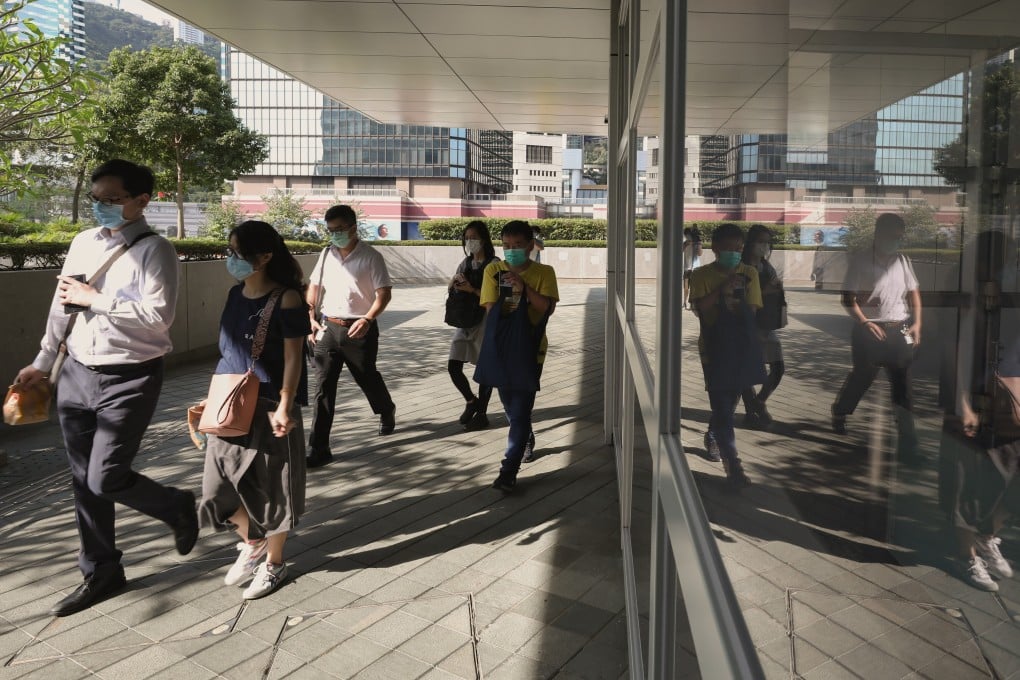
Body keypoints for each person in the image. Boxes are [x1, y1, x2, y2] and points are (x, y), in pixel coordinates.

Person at [13, 159, 197, 616]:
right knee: (83, 482)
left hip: (130, 375)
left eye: (112, 200)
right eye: (96, 200)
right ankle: (101, 570)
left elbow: (158, 316)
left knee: (106, 474)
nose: (101, 208)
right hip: (75, 371)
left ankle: (175, 505)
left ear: (141, 200)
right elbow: (62, 307)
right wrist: (42, 362)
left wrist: (96, 299)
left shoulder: (158, 252)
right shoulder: (81, 243)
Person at [198, 220, 310, 600]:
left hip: (267, 407)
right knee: (215, 494)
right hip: (229, 406)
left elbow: (295, 358)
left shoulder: (288, 298)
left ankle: (274, 565)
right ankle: (253, 541)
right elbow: (229, 352)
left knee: (271, 490)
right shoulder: (234, 294)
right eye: (229, 251)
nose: (231, 259)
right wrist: (212, 396)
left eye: (238, 253)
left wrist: (285, 404)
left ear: (264, 256)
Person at [940, 229, 1019, 591]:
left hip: (1008, 401)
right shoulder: (967, 293)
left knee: (1007, 480)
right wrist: (962, 402)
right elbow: (954, 348)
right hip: (973, 400)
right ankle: (965, 557)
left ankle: (986, 536)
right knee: (963, 484)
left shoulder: (1007, 290)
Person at [305, 204, 395, 468]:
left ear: (354, 228)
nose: (335, 235)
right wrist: (310, 315)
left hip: (360, 328)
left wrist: (368, 319)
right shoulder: (325, 255)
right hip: (328, 327)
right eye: (330, 230)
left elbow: (384, 294)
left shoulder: (371, 257)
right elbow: (314, 287)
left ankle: (386, 409)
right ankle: (319, 447)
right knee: (323, 387)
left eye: (340, 229)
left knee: (366, 376)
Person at [831, 213, 921, 459]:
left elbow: (914, 294)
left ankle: (909, 445)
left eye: (899, 236)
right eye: (893, 235)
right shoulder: (861, 261)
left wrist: (917, 324)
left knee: (903, 387)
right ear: (879, 233)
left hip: (899, 328)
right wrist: (864, 322)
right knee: (863, 377)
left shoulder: (902, 260)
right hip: (869, 330)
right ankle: (841, 410)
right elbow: (847, 298)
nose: (897, 240)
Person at [480, 220, 559, 492]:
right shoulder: (494, 270)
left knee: (522, 408)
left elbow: (546, 309)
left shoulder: (544, 272)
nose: (511, 250)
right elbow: (491, 313)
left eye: (517, 245)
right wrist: (508, 294)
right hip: (501, 349)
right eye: (506, 245)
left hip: (530, 350)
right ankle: (524, 435)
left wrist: (524, 288)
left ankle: (508, 471)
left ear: (530, 245)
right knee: (510, 406)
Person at [689, 223, 764, 489]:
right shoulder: (700, 276)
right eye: (728, 249)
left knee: (727, 405)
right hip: (713, 351)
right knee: (721, 404)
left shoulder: (750, 273)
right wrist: (723, 289)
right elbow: (700, 309)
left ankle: (713, 434)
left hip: (741, 350)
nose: (734, 253)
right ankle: (733, 466)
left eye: (738, 248)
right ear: (715, 249)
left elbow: (751, 312)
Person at [448, 221, 499, 430]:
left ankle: (482, 413)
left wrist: (472, 290)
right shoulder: (466, 263)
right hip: (465, 320)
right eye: (467, 238)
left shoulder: (494, 264)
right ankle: (471, 401)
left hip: (485, 320)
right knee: (453, 365)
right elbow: (451, 286)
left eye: (474, 237)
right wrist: (455, 283)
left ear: (484, 239)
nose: (470, 242)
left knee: (485, 368)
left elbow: (496, 297)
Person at [740, 224, 786, 429]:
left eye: (767, 242)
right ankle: (752, 410)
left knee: (778, 367)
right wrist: (766, 290)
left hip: (766, 325)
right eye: (760, 241)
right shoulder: (740, 266)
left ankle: (759, 402)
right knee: (746, 371)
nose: (764, 246)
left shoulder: (767, 267)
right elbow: (739, 294)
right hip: (745, 325)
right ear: (750, 242)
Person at [682, 227, 703, 310]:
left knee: (693, 287)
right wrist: (685, 245)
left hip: (695, 268)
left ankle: (692, 303)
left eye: (689, 235)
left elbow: (700, 254)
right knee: (686, 287)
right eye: (686, 236)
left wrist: (698, 245)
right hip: (686, 267)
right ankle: (685, 302)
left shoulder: (697, 243)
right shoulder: (685, 243)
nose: (688, 237)